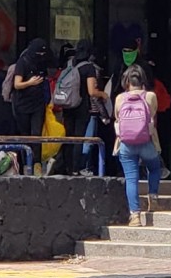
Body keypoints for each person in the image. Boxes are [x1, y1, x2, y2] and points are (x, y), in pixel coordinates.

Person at [114, 64, 161, 227]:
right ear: (143, 80)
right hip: (146, 142)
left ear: (126, 81)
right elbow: (153, 114)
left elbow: (116, 116)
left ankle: (135, 216)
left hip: (126, 144)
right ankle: (153, 198)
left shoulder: (120, 98)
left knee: (131, 179)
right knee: (155, 168)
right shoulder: (150, 96)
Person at [62, 39, 108, 176]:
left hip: (68, 105)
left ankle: (66, 167)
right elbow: (91, 91)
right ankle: (77, 168)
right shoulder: (89, 68)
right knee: (79, 138)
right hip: (82, 107)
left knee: (68, 137)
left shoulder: (69, 64)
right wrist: (103, 94)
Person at [11, 38, 51, 174]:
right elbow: (17, 84)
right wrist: (30, 83)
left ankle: (37, 164)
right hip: (22, 104)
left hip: (38, 104)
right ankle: (25, 165)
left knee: (36, 134)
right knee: (25, 135)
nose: (40, 56)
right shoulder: (23, 62)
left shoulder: (42, 63)